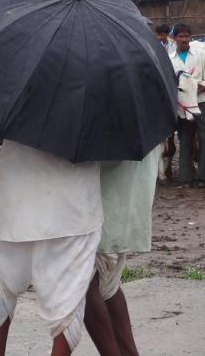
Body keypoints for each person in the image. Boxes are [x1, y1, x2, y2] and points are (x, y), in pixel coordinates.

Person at [0, 122, 103, 356]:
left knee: (3, 286)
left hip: (18, 196)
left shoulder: (11, 84)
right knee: (68, 303)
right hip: (74, 205)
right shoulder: (102, 88)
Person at [84, 150, 159, 356]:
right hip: (126, 202)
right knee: (107, 286)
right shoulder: (148, 120)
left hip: (106, 204)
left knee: (85, 286)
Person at [168, 23, 205, 187]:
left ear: (190, 37)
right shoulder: (170, 59)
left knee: (203, 137)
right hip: (183, 106)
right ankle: (185, 177)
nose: (184, 39)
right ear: (174, 39)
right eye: (180, 36)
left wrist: (199, 87)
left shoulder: (201, 55)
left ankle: (202, 177)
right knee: (185, 138)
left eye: (186, 36)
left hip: (201, 101)